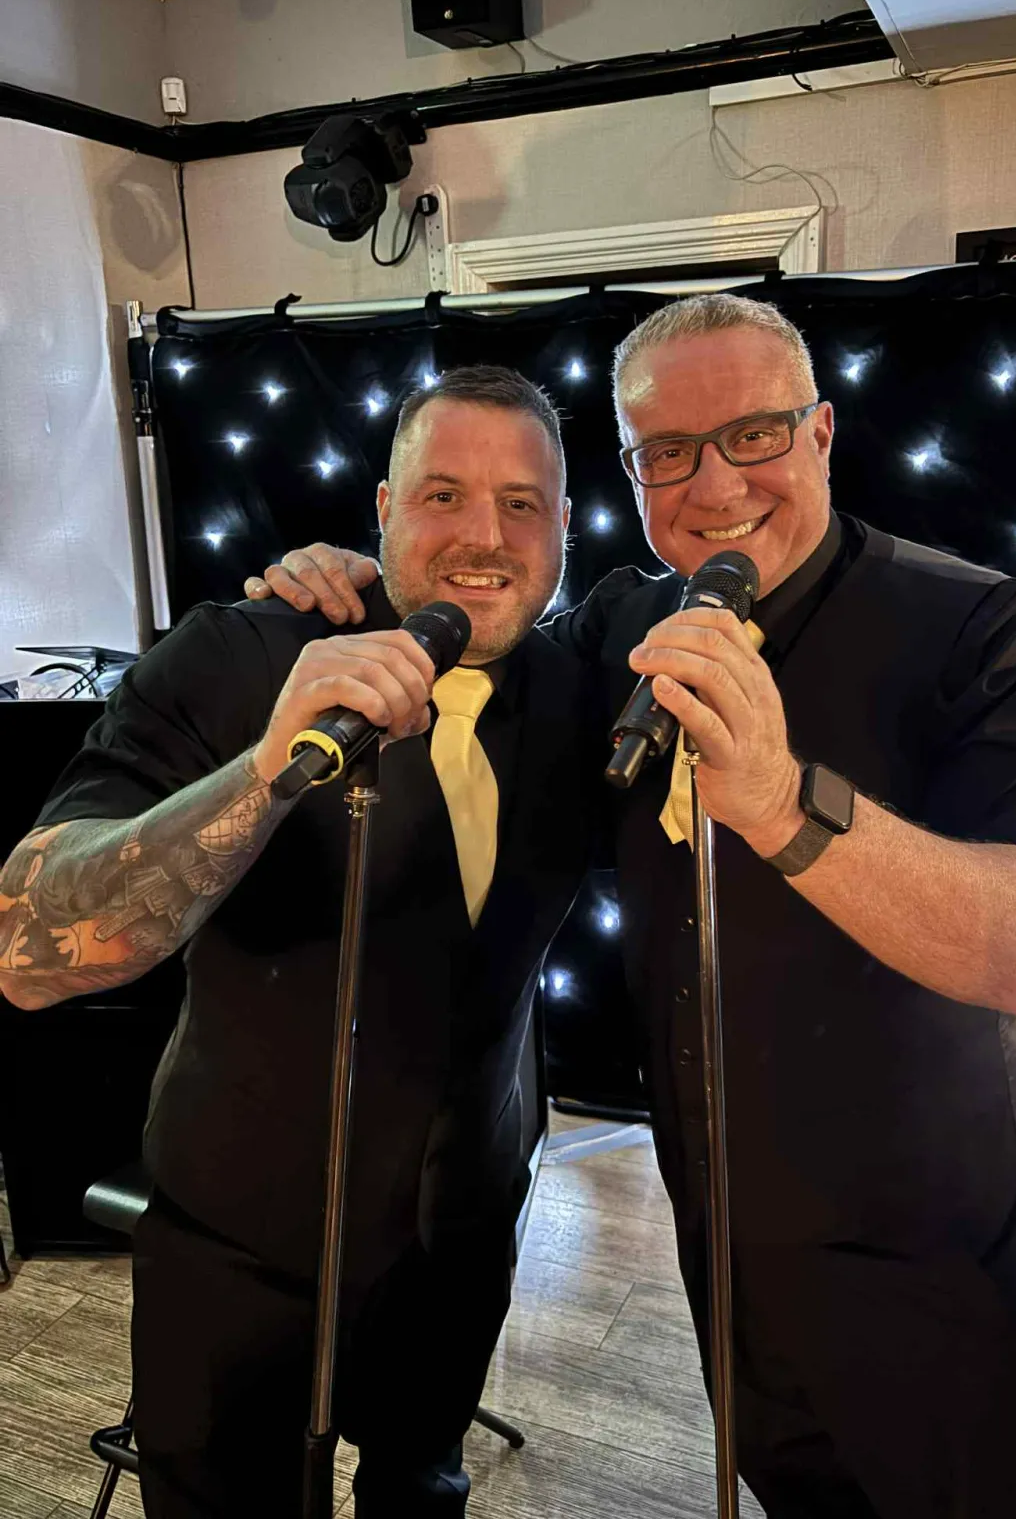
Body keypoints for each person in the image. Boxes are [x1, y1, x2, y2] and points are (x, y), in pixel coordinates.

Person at [255, 294, 1016, 1519]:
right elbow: (487, 630)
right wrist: (371, 574)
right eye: (667, 450)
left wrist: (783, 804)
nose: (714, 483)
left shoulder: (982, 627)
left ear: (823, 434)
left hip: (927, 1279)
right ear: (629, 469)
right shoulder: (628, 622)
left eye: (755, 435)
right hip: (723, 1268)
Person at [0, 367, 601, 1518]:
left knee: (421, 1491)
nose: (485, 535)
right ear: (381, 506)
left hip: (462, 1235)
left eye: (523, 502)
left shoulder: (577, 683)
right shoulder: (237, 654)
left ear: (567, 524)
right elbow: (25, 948)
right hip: (239, 1237)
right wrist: (265, 771)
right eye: (443, 495)